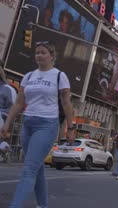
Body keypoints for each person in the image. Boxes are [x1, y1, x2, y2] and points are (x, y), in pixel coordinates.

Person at [0, 42, 75, 208]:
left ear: (52, 56)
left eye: (43, 52)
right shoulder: (28, 76)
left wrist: (70, 128)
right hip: (28, 124)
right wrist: (7, 124)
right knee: (37, 167)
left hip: (47, 124)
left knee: (29, 169)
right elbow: (19, 103)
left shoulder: (59, 75)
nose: (39, 55)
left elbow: (67, 104)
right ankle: (43, 205)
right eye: (36, 53)